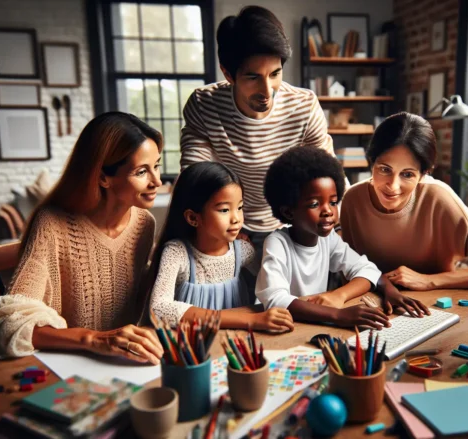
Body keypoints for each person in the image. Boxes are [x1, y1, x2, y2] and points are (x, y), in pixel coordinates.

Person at [0, 112, 165, 364]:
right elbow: (6, 327)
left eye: (156, 165)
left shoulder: (145, 224)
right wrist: (93, 340)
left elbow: (134, 298)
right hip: (67, 363)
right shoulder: (51, 224)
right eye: (141, 171)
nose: (157, 181)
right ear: (103, 177)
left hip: (123, 361)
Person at [180, 5, 334, 270]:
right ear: (228, 73)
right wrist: (229, 225)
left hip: (293, 224)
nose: (267, 90)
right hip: (232, 227)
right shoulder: (203, 104)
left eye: (275, 74)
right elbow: (196, 177)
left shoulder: (304, 105)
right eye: (253, 77)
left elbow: (326, 175)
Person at [256, 147, 428, 328]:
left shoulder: (327, 239)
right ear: (288, 211)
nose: (328, 211)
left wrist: (387, 289)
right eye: (315, 204)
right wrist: (337, 315)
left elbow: (367, 269)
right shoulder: (277, 243)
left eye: (332, 202)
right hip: (287, 328)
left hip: (315, 326)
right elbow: (276, 300)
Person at [340, 112, 468, 291]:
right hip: (374, 307)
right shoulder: (352, 201)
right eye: (385, 169)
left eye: (407, 174)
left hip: (436, 308)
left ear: (424, 174)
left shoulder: (440, 199)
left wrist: (429, 281)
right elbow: (348, 271)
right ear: (371, 163)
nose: (393, 186)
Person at [148, 161, 294, 332]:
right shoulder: (177, 253)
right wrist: (251, 320)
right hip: (194, 346)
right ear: (193, 218)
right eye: (224, 210)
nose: (236, 218)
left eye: (239, 207)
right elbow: (159, 308)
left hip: (237, 342)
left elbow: (275, 285)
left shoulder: (244, 251)